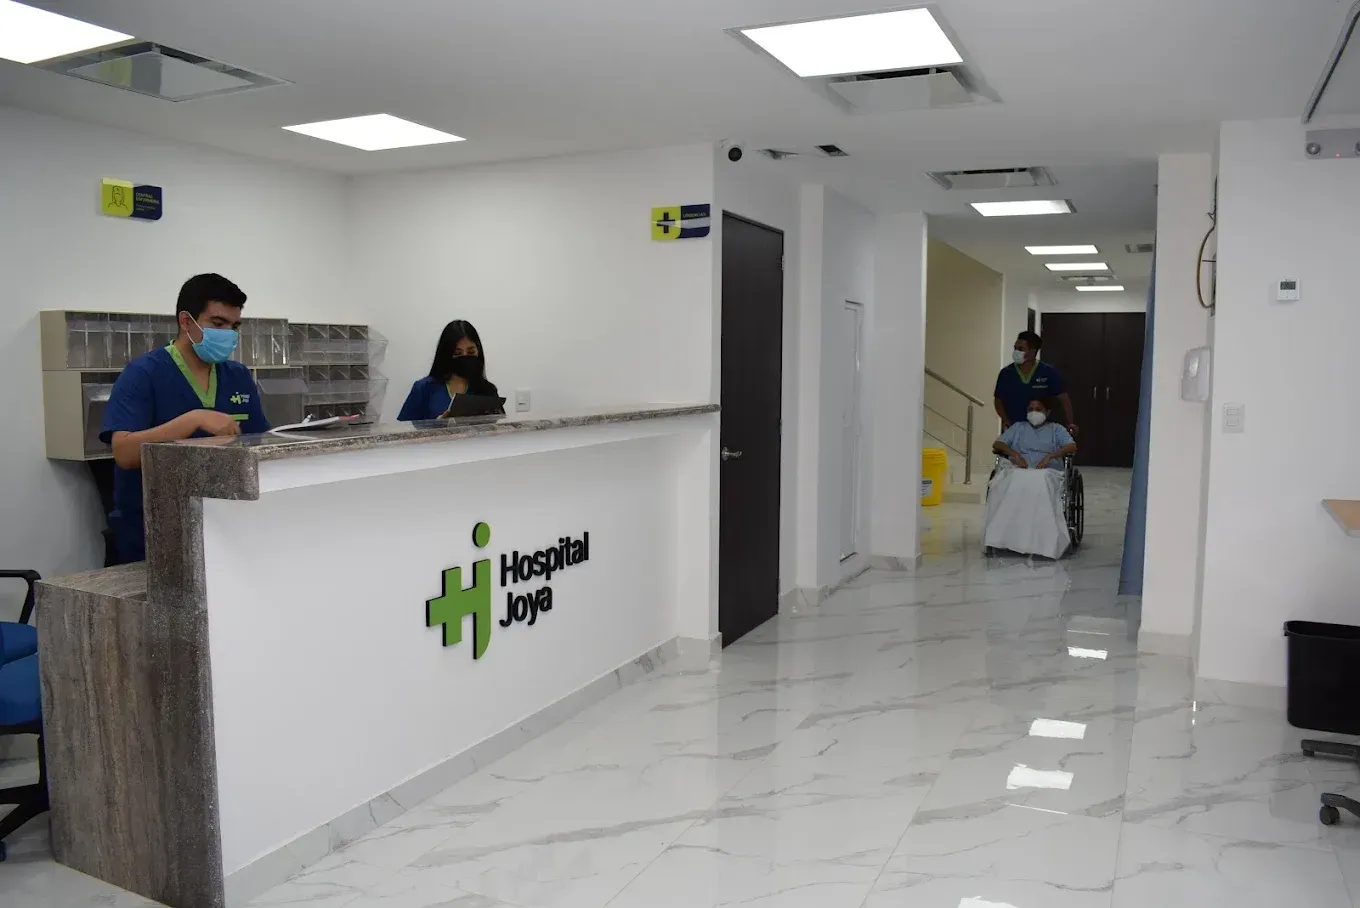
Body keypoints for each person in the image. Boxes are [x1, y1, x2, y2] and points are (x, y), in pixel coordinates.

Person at [100, 274, 270, 565]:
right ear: (186, 321)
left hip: (224, 524)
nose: (228, 334)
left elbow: (260, 443)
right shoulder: (143, 373)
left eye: (234, 326)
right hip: (155, 530)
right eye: (218, 323)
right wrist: (191, 420)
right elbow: (124, 452)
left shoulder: (238, 376)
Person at [984, 399, 1078, 559]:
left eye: (1038, 409)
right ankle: (1002, 539)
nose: (1034, 412)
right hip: (1020, 469)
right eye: (1031, 409)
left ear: (1047, 412)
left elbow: (1072, 446)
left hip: (1047, 471)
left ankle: (1043, 542)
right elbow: (998, 444)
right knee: (1013, 480)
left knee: (1039, 481)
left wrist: (1051, 455)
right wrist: (1014, 454)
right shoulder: (1018, 428)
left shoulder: (1056, 429)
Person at [397, 319, 504, 421]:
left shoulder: (488, 390)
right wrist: (436, 426)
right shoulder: (424, 388)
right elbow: (403, 430)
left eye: (471, 352)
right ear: (446, 355)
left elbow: (501, 427)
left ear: (478, 352)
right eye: (457, 353)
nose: (465, 357)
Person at [993, 330, 1076, 435]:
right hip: (1014, 428)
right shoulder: (1006, 373)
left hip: (1042, 429)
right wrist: (1005, 420)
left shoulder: (1048, 372)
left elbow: (1064, 399)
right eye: (1015, 348)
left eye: (1020, 349)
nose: (1016, 352)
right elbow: (998, 400)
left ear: (1032, 352)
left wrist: (1070, 423)